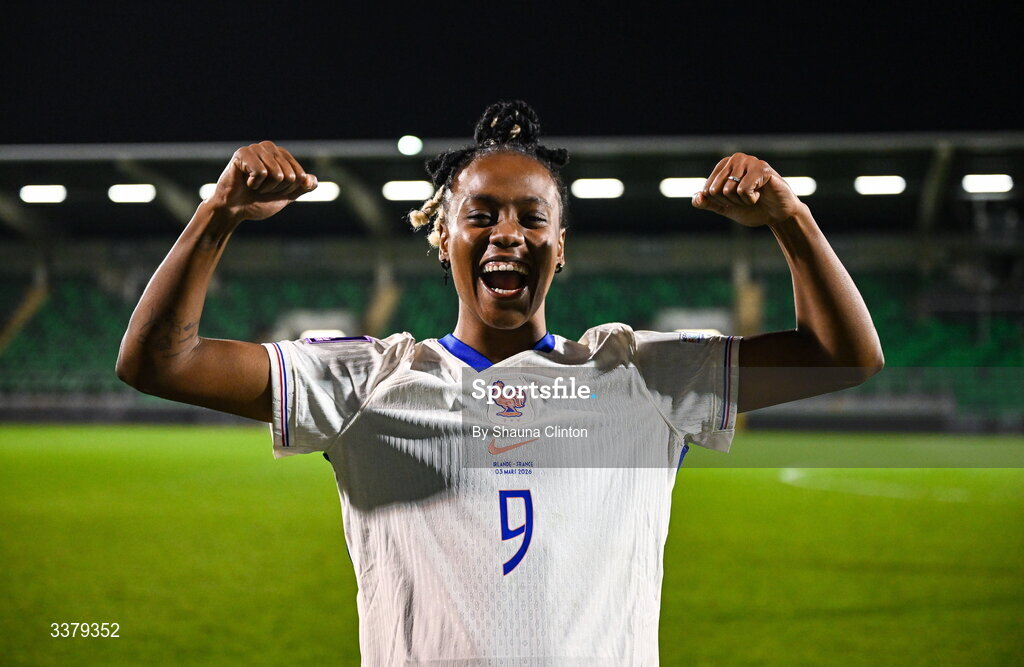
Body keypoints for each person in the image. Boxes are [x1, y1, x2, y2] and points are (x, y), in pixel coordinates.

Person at [116, 100, 883, 665]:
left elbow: (843, 353)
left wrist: (793, 220)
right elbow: (158, 361)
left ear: (559, 244)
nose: (507, 233)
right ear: (440, 234)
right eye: (480, 215)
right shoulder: (367, 381)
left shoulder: (639, 374)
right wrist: (217, 212)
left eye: (530, 216)